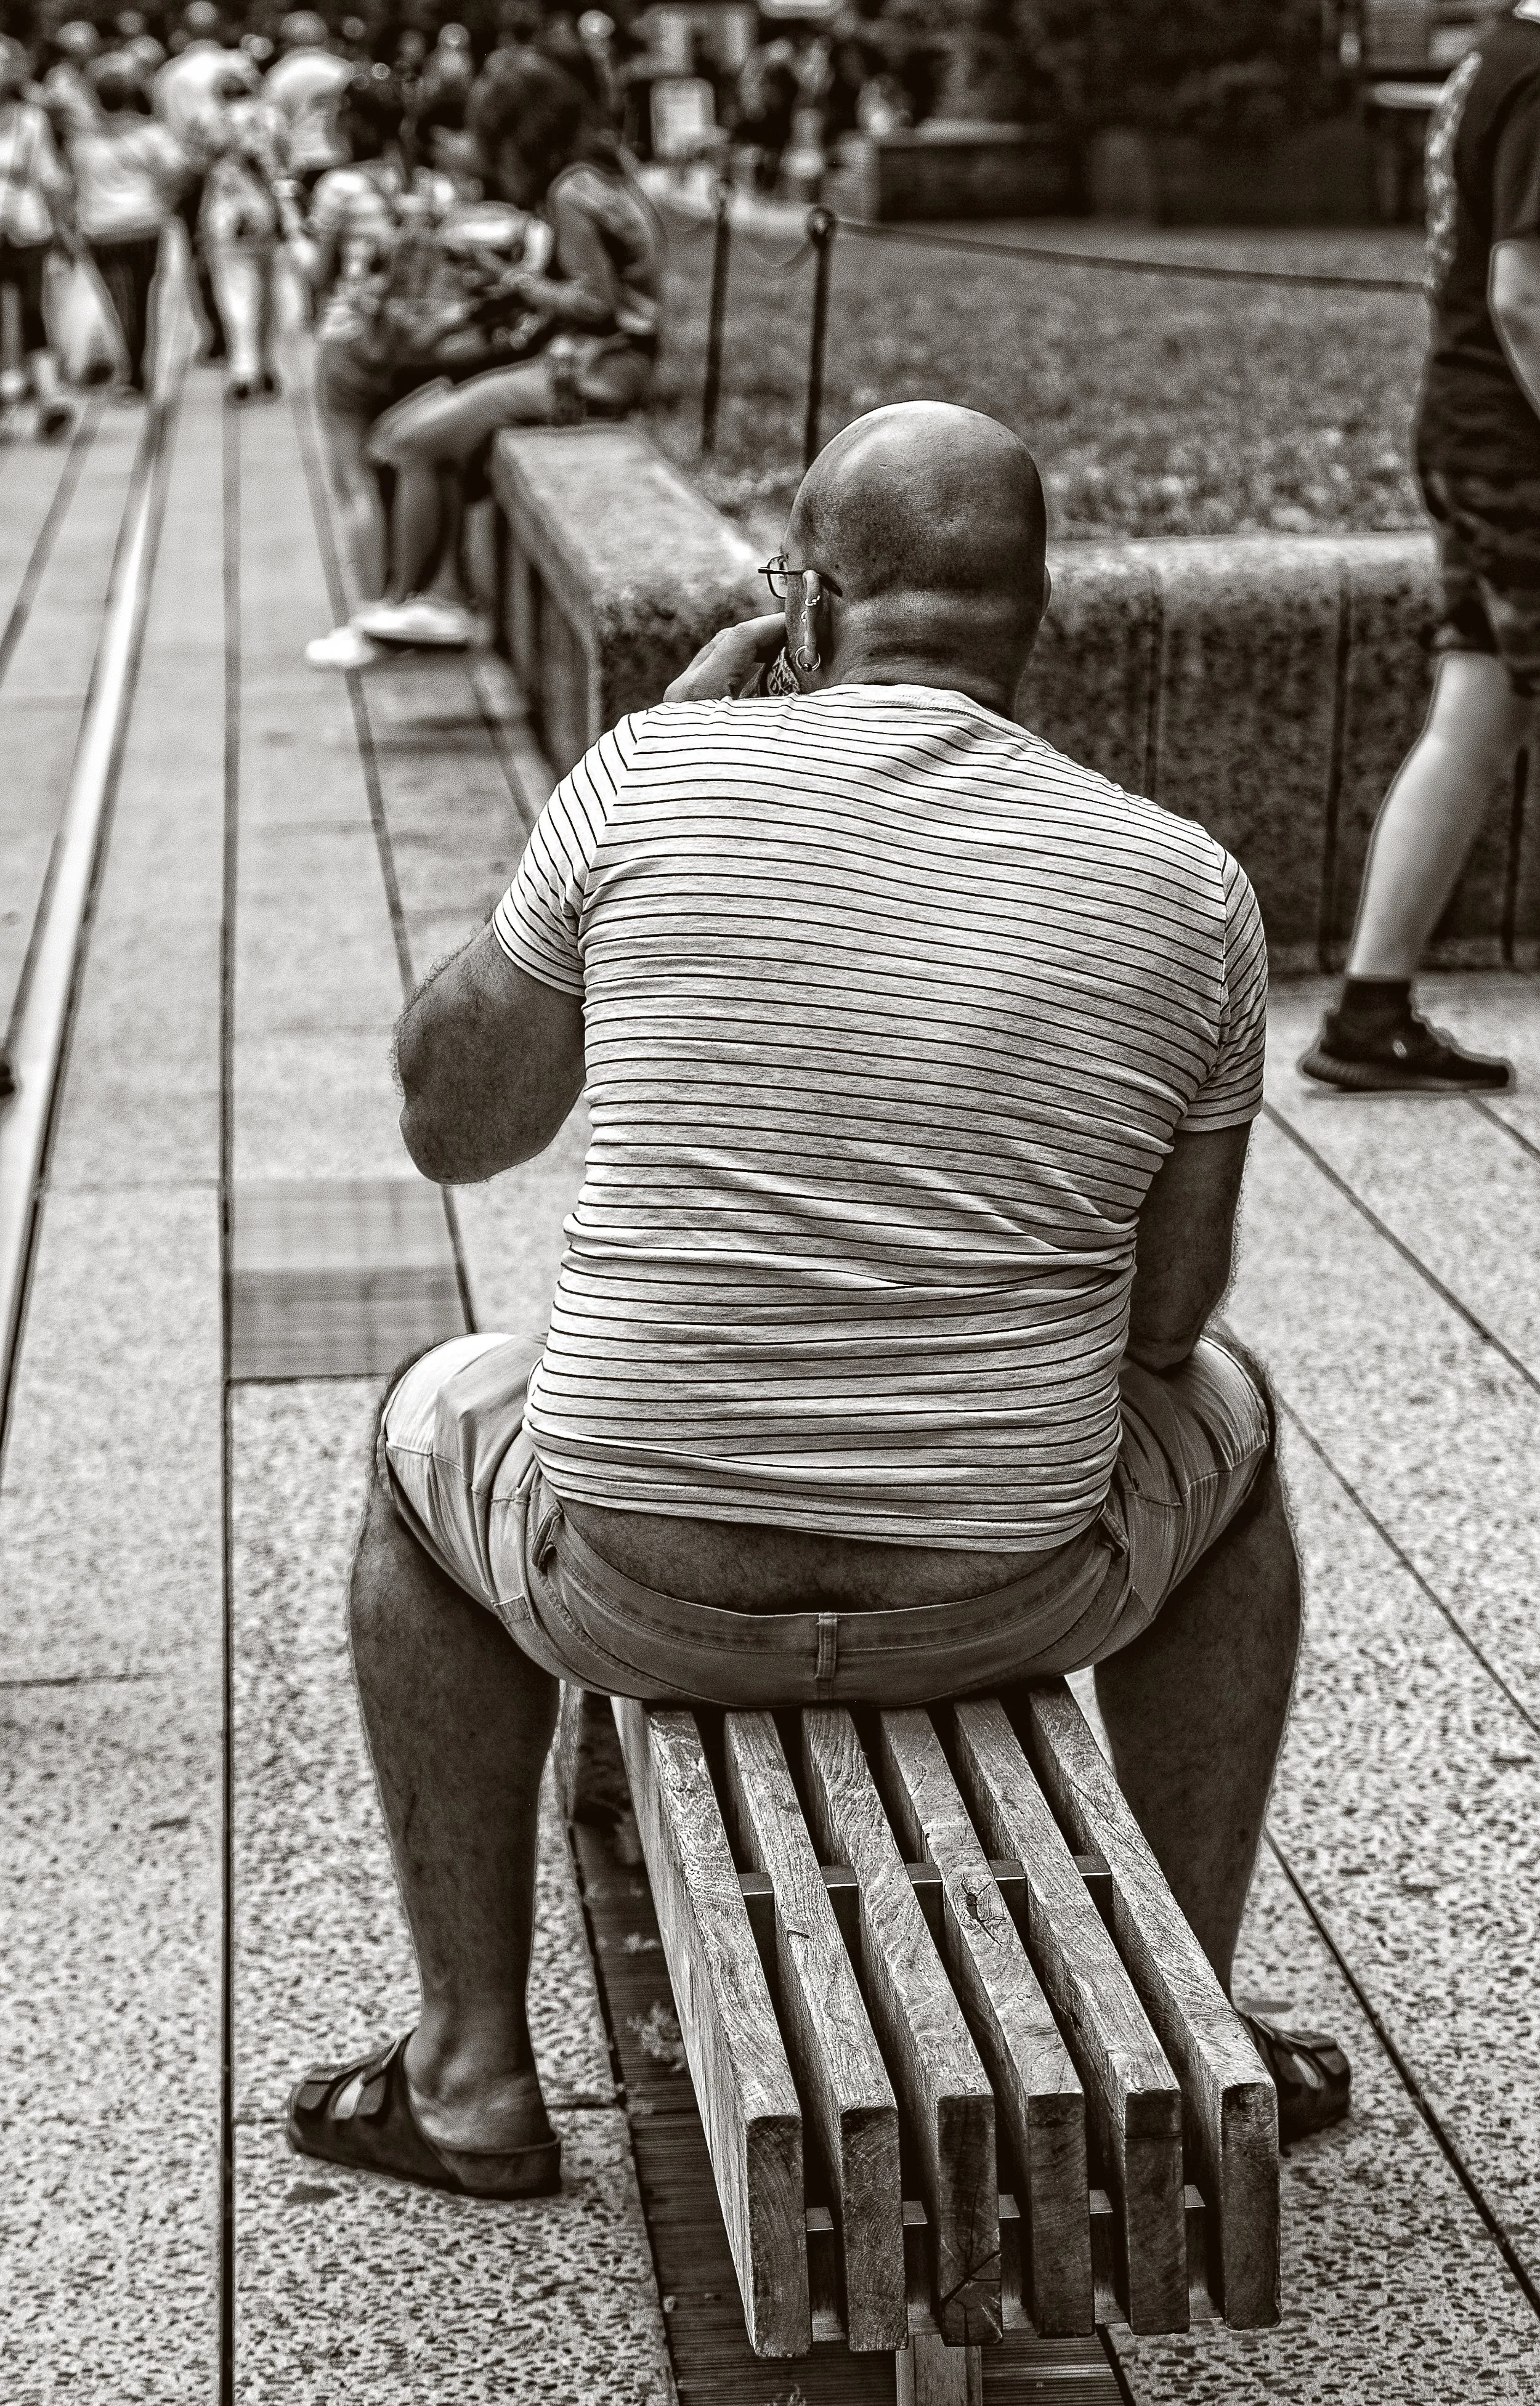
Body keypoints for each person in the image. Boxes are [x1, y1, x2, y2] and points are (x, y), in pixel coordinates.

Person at [287, 400, 1350, 2197]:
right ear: (1035, 616)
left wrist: (618, 795)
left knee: (420, 1440)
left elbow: (452, 1125)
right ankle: (1188, 2027)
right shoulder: (1189, 888)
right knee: (1229, 1436)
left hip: (631, 1578)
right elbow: (1167, 1323)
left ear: (800, 597)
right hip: (1000, 1592)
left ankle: (468, 2071)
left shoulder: (648, 776)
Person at [1302, 2, 1540, 1095]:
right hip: (1518, 447)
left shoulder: (1491, 60)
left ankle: (1370, 1010)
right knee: (1474, 711)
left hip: (1468, 426)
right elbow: (1523, 296)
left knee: (1475, 712)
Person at [348, 51, 661, 654]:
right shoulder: (603, 175)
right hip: (593, 363)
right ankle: (424, 597)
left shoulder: (570, 192)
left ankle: (427, 603)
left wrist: (511, 279)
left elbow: (595, 303)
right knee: (400, 433)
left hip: (591, 372)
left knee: (409, 442)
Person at [70, 53, 185, 398]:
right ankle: (139, 364)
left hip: (100, 227)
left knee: (116, 301)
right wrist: (166, 202)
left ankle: (131, 366)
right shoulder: (152, 134)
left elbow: (71, 184)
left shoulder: (81, 139)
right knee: (143, 297)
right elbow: (178, 172)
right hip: (145, 222)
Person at [197, 52, 290, 399]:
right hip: (269, 214)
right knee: (268, 294)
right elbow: (286, 161)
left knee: (235, 295)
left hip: (227, 218)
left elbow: (198, 163)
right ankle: (266, 365)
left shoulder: (212, 120)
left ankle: (243, 368)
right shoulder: (273, 118)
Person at [0, 34, 75, 440]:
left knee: (33, 310)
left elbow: (51, 178)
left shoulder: (30, 120)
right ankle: (9, 394)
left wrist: (65, 228)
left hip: (27, 228)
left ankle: (49, 397)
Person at [153, 4, 237, 359]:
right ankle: (244, 330)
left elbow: (166, 129)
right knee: (243, 254)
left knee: (200, 254)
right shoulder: (238, 64)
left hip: (192, 175)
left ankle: (217, 330)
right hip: (239, 173)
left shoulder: (170, 74)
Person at [262, 9, 351, 201]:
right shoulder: (344, 70)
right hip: (343, 161)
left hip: (304, 165)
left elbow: (275, 130)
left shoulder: (279, 76)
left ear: (286, 40)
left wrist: (280, 171)